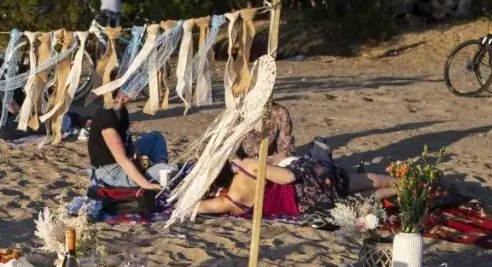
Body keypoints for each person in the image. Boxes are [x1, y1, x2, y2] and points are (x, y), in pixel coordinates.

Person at [196, 103, 394, 218]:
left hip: (303, 203)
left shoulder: (225, 204)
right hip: (305, 185)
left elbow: (192, 208)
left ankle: (401, 187)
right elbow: (288, 177)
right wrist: (268, 165)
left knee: (356, 197)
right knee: (356, 181)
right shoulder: (248, 164)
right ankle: (407, 183)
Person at [87, 89, 170, 189]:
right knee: (164, 174)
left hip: (124, 159)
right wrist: (146, 184)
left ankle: (160, 167)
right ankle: (159, 171)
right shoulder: (106, 116)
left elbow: (126, 139)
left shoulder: (122, 111)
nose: (125, 93)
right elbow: (121, 159)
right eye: (121, 90)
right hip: (110, 171)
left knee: (155, 137)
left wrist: (137, 153)